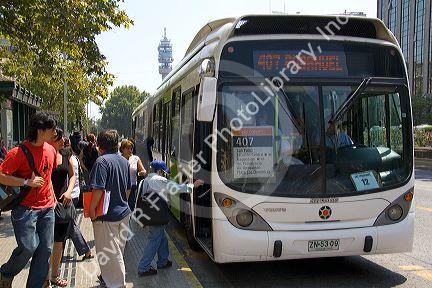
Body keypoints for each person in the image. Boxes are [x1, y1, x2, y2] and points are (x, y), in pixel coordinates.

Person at [0, 112, 57, 288]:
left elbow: (48, 177)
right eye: (52, 129)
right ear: (40, 130)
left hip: (47, 208)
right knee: (29, 247)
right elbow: (1, 176)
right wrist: (26, 182)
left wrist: (53, 199)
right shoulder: (17, 153)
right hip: (25, 209)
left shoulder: (51, 150)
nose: (55, 133)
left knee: (45, 250)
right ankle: (6, 273)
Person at [137, 160, 203, 277]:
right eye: (163, 171)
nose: (164, 174)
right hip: (156, 215)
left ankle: (163, 261)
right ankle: (144, 267)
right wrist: (194, 185)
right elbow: (176, 188)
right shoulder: (158, 180)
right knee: (154, 240)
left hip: (152, 214)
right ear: (159, 171)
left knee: (162, 237)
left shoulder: (147, 179)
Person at [89, 130, 131, 288]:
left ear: (100, 145)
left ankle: (117, 284)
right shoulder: (124, 161)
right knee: (117, 251)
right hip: (124, 213)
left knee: (112, 254)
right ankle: (108, 280)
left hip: (106, 216)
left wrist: (92, 210)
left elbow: (98, 189)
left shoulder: (102, 162)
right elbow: (128, 189)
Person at [47, 128, 76, 287]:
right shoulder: (44, 155)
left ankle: (54, 275)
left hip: (63, 204)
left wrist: (69, 191)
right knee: (44, 243)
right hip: (47, 205)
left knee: (59, 241)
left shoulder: (65, 154)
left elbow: (72, 175)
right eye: (59, 138)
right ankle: (44, 277)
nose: (63, 140)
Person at [119, 139, 146, 211]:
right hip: (121, 187)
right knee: (121, 207)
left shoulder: (135, 158)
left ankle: (129, 221)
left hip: (132, 188)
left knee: (131, 208)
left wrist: (139, 173)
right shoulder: (118, 158)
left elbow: (143, 171)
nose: (130, 150)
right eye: (127, 148)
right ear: (122, 149)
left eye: (131, 148)